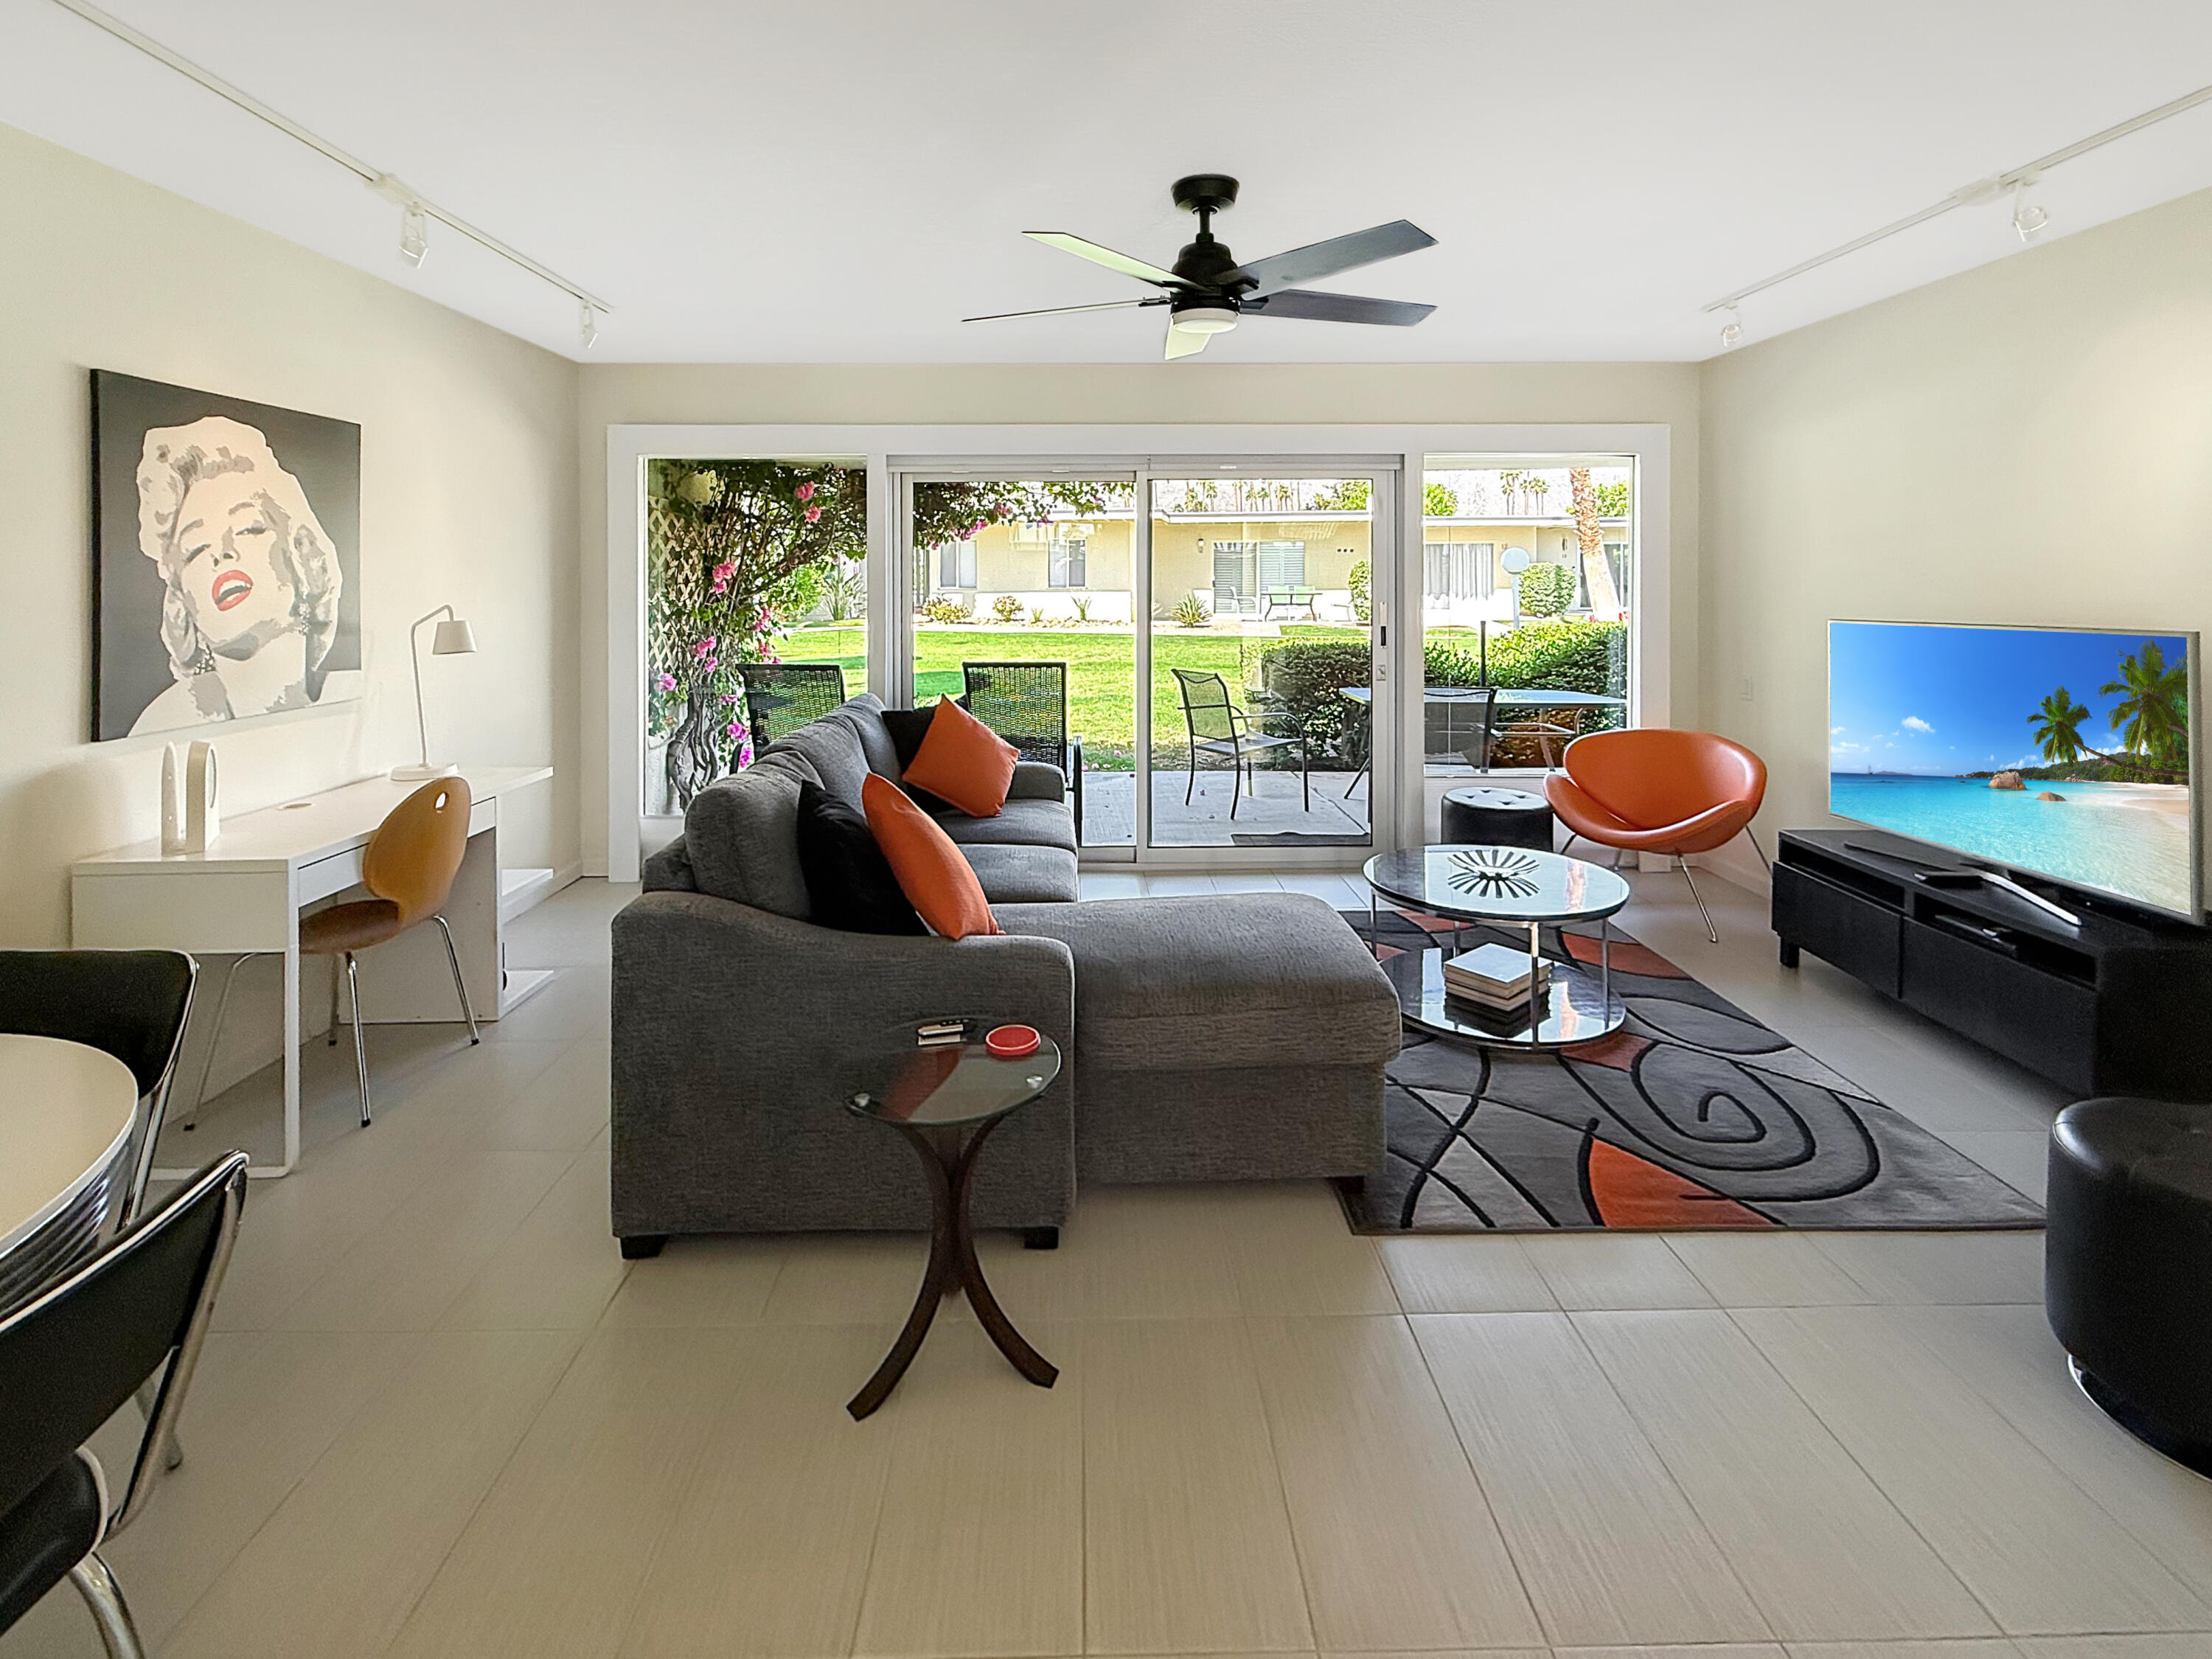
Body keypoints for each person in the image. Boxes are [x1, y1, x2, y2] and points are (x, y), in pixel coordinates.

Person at [128, 415, 356, 734]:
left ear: (302, 558)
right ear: (183, 602)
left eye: (250, 528)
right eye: (195, 548)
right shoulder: (165, 725)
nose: (221, 552)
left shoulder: (357, 698)